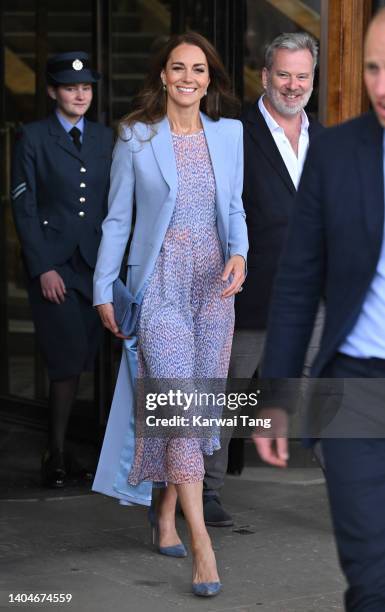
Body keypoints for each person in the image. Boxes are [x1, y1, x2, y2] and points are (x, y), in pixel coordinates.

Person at [92, 32, 248, 597]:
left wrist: (240, 253)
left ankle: (162, 515)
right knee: (178, 406)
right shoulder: (136, 136)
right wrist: (103, 289)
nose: (188, 77)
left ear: (210, 79)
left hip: (213, 287)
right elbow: (116, 220)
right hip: (157, 286)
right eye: (178, 68)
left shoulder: (229, 135)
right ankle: (202, 544)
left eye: (199, 69)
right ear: (163, 75)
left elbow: (234, 207)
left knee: (192, 410)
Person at [254, 8, 385, 611]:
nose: (380, 87)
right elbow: (299, 282)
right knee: (372, 577)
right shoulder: (337, 153)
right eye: (372, 69)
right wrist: (277, 396)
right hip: (355, 382)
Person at [202, 32, 323, 527]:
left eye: (303, 76)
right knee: (225, 399)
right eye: (283, 74)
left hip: (314, 300)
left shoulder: (327, 137)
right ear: (264, 75)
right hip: (247, 297)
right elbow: (216, 212)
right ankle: (204, 492)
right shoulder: (233, 133)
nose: (293, 85)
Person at [11, 52, 114, 488]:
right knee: (65, 360)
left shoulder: (107, 138)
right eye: (71, 87)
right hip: (54, 267)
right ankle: (54, 452)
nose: (80, 94)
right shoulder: (32, 137)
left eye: (86, 87)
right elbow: (24, 205)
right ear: (53, 91)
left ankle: (74, 449)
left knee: (89, 358)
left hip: (96, 265)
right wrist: (43, 267)